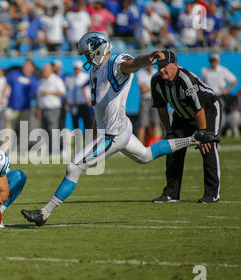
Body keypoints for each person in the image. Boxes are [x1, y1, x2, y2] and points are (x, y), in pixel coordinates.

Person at [21, 32, 218, 226]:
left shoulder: (116, 62)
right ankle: (194, 139)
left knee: (73, 168)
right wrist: (95, 132)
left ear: (98, 48)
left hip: (113, 134)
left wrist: (148, 59)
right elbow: (100, 106)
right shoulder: (95, 70)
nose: (87, 57)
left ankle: (44, 213)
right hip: (116, 129)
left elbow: (133, 64)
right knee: (146, 155)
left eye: (88, 53)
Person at [151, 50, 222, 204]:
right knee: (173, 149)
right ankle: (171, 193)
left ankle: (212, 194)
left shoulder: (185, 79)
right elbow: (161, 109)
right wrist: (169, 132)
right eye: (159, 66)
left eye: (165, 66)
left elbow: (199, 108)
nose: (161, 69)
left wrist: (203, 134)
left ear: (175, 65)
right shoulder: (156, 80)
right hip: (181, 114)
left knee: (207, 147)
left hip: (207, 110)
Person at [200, 53, 237, 134]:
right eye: (212, 60)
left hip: (219, 96)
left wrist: (226, 90)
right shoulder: (205, 70)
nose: (214, 62)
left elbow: (234, 80)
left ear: (218, 61)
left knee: (219, 115)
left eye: (215, 60)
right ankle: (209, 133)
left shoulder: (222, 70)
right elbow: (201, 83)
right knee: (207, 115)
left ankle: (217, 133)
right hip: (208, 97)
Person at [36, 63, 66, 155]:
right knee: (45, 131)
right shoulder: (41, 81)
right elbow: (38, 96)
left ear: (51, 70)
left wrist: (50, 92)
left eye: (45, 70)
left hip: (54, 109)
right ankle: (50, 151)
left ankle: (55, 150)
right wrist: (38, 109)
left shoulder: (56, 79)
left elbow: (63, 92)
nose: (43, 72)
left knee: (53, 130)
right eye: (43, 70)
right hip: (44, 109)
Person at [65, 60, 94, 135]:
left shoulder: (86, 77)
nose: (76, 70)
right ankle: (78, 141)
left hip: (85, 104)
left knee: (87, 123)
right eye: (75, 68)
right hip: (75, 104)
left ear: (81, 68)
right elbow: (68, 91)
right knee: (75, 124)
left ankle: (88, 141)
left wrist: (89, 99)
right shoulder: (70, 79)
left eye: (77, 68)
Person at [136, 64, 160, 146]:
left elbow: (158, 87)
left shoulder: (156, 72)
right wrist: (154, 86)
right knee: (142, 123)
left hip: (154, 99)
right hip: (145, 100)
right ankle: (140, 144)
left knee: (155, 122)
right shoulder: (141, 73)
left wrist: (149, 87)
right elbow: (143, 90)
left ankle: (154, 143)